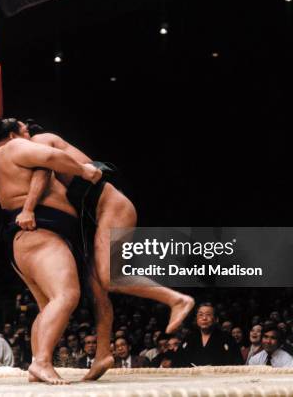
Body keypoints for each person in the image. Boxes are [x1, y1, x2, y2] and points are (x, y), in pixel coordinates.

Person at [17, 119, 195, 380]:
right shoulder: (35, 150)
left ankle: (176, 299)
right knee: (96, 287)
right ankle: (103, 354)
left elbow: (44, 169)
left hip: (113, 207)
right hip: (96, 217)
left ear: (27, 132)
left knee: (109, 277)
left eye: (18, 131)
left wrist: (28, 208)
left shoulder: (41, 141)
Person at [0, 118, 101, 384]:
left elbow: (43, 167)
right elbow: (51, 156)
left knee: (48, 305)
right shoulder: (13, 147)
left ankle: (37, 364)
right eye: (26, 131)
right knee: (67, 295)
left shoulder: (0, 160)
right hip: (39, 233)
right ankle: (41, 361)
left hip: (27, 238)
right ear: (14, 134)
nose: (31, 135)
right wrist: (84, 171)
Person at [173, 303, 243, 367]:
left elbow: (237, 363)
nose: (204, 318)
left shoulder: (227, 338)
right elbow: (177, 362)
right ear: (196, 319)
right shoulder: (189, 339)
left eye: (208, 314)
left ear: (216, 319)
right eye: (200, 315)